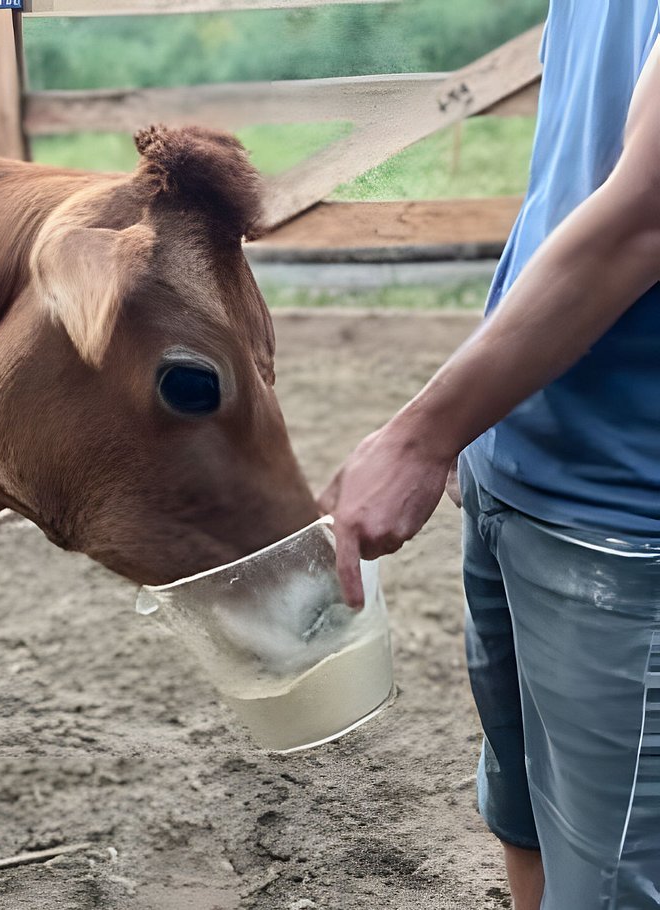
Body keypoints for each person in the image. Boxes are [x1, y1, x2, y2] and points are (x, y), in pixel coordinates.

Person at [320, 3, 660, 908]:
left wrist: (424, 434)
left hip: (624, 517)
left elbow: (645, 215)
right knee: (525, 816)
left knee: (613, 882)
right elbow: (576, 165)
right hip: (517, 462)